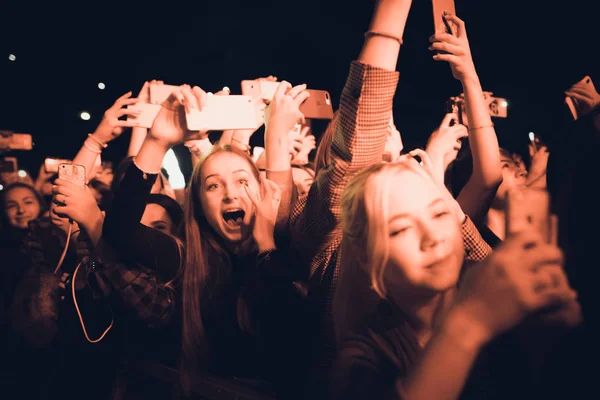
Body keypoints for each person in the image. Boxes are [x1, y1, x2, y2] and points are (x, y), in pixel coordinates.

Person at [102, 84, 309, 398]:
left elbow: (288, 330)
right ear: (198, 205)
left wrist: (266, 242)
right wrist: (157, 141)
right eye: (213, 186)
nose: (230, 193)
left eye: (242, 180)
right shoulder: (186, 259)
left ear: (262, 191)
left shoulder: (288, 247)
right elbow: (119, 230)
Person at [332, 151, 581, 400]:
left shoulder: (504, 303)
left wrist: (562, 343)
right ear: (365, 256)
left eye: (439, 214)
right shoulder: (364, 357)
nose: (432, 238)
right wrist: (469, 324)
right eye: (401, 229)